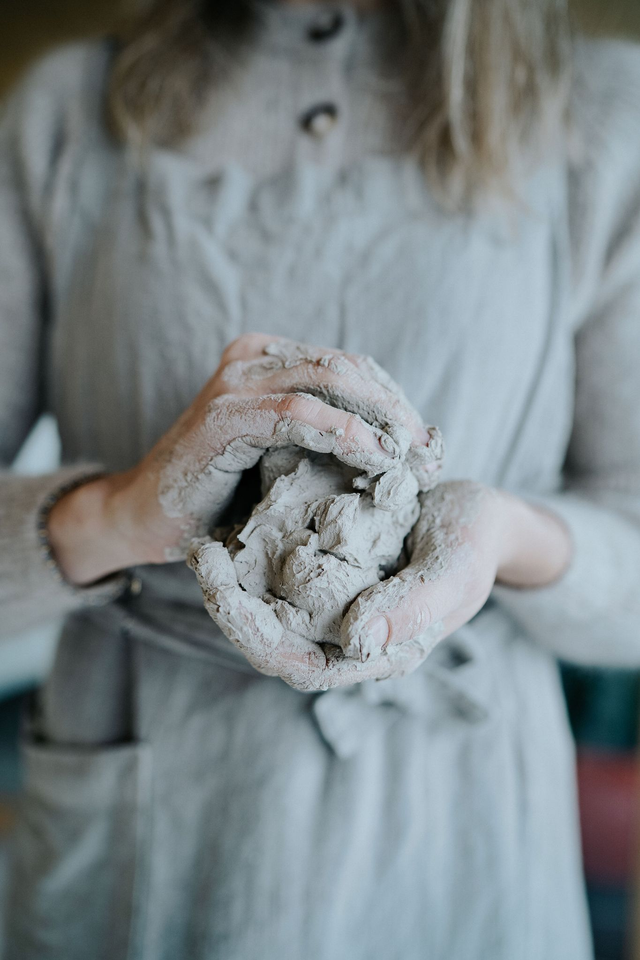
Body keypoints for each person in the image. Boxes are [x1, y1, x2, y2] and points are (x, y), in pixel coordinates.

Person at [1, 0, 640, 956]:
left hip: (457, 839)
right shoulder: (67, 108)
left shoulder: (601, 113)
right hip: (149, 831)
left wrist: (502, 536)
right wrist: (120, 513)